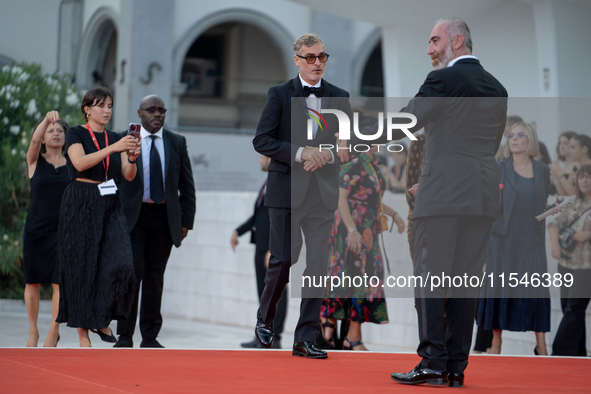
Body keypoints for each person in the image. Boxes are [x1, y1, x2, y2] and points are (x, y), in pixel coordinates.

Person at [386, 18, 507, 387]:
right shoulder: (497, 88)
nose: (429, 49)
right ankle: (455, 365)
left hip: (443, 198)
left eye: (434, 40)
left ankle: (432, 361)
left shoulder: (443, 79)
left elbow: (404, 122)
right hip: (481, 196)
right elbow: (472, 144)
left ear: (457, 41)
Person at [252, 33, 352, 359]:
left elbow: (347, 148)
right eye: (310, 57)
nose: (317, 63)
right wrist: (300, 153)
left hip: (322, 194)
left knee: (318, 266)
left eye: (322, 57)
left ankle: (305, 337)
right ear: (297, 59)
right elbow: (262, 141)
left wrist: (328, 154)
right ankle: (265, 320)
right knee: (283, 260)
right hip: (286, 193)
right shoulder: (279, 94)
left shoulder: (340, 96)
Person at [57, 87, 139, 347]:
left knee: (122, 263)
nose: (106, 111)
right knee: (81, 267)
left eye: (110, 106)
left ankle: (102, 316)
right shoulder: (76, 133)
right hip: (80, 201)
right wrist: (114, 147)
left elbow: (128, 175)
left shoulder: (116, 137)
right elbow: (80, 163)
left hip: (109, 202)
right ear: (87, 109)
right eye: (101, 105)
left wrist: (132, 157)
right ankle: (84, 336)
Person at [114, 94, 196, 348]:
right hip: (133, 219)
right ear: (140, 114)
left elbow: (187, 186)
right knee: (132, 274)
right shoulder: (125, 139)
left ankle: (150, 336)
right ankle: (125, 335)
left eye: (161, 110)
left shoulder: (177, 142)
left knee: (155, 276)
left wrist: (186, 222)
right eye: (151, 110)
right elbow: (116, 182)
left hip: (164, 218)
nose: (157, 114)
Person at [476, 123, 552, 355]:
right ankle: (496, 342)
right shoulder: (499, 168)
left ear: (531, 140)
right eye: (512, 136)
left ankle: (541, 344)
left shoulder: (542, 170)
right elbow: (488, 206)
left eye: (521, 135)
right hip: (502, 239)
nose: (515, 139)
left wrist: (553, 210)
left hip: (532, 239)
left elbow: (543, 203)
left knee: (534, 290)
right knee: (500, 289)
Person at [320, 146, 405, 351]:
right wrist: (351, 230)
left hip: (366, 231)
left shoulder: (373, 163)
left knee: (364, 280)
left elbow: (372, 200)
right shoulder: (354, 163)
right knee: (349, 279)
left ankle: (341, 332)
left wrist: (394, 214)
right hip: (351, 231)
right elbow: (341, 198)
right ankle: (338, 331)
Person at [231, 155, 288, 349]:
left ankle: (275, 335)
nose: (259, 161)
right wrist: (238, 231)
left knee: (276, 291)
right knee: (263, 293)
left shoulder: (279, 185)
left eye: (262, 158)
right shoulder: (267, 183)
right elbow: (258, 216)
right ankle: (262, 334)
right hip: (261, 246)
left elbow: (280, 219)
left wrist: (273, 249)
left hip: (271, 248)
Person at [23, 111, 69, 347]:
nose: (55, 133)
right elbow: (33, 141)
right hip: (36, 229)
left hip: (62, 232)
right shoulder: (34, 160)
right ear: (43, 136)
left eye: (60, 130)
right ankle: (33, 332)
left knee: (58, 282)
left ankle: (53, 331)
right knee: (32, 281)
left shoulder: (73, 164)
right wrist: (46, 120)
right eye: (51, 131)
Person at [548, 164, 591, 357]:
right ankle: (578, 354)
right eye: (581, 177)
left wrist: (588, 234)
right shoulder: (574, 202)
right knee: (569, 308)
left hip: (587, 266)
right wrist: (555, 245)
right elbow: (554, 220)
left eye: (588, 177)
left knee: (574, 307)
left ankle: (560, 351)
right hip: (566, 263)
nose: (584, 181)